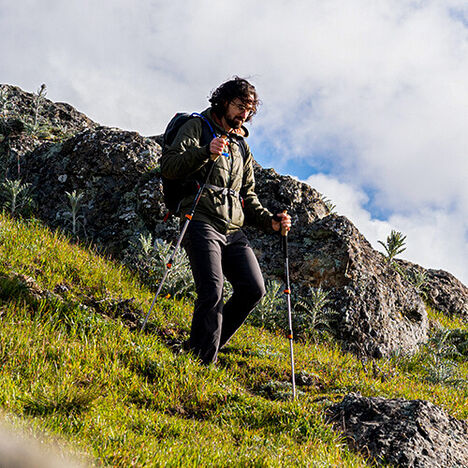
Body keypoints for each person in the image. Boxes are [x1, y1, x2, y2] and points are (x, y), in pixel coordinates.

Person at [160, 77, 291, 365]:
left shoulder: (241, 146)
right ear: (223, 101)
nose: (244, 114)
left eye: (250, 109)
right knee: (212, 290)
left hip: (233, 229)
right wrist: (205, 152)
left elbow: (248, 196)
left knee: (253, 289)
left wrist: (271, 221)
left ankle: (202, 349)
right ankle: (201, 362)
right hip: (200, 218)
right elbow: (170, 167)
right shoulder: (196, 127)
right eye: (240, 106)